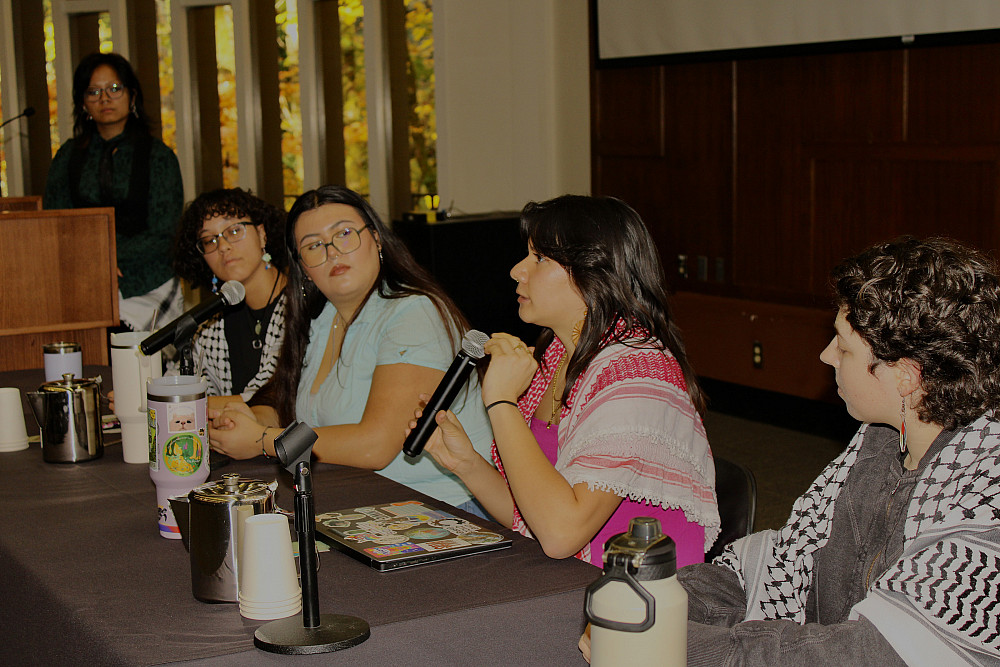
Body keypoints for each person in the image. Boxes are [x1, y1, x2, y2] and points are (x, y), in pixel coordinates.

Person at [588, 237, 1000, 665]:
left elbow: (870, 654)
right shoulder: (880, 441)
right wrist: (648, 607)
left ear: (905, 376)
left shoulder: (987, 491)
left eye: (843, 346)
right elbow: (769, 569)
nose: (826, 355)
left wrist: (667, 644)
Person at [412, 194, 720, 567]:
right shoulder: (560, 355)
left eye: (539, 258)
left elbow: (560, 533)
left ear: (595, 272)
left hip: (635, 598)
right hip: (575, 578)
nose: (517, 271)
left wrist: (501, 400)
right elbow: (533, 514)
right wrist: (466, 464)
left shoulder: (638, 374)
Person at [208, 185, 493, 512]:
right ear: (303, 268)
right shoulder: (323, 318)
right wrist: (248, 418)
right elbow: (287, 398)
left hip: (444, 510)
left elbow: (375, 446)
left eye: (344, 234)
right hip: (366, 507)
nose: (332, 252)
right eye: (314, 245)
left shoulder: (414, 312)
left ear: (376, 239)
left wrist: (261, 440)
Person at [44, 52, 184, 332]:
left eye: (114, 89)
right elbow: (53, 224)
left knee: (130, 355)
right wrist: (95, 261)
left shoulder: (158, 156)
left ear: (132, 97)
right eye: (93, 91)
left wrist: (109, 257)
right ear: (83, 103)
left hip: (147, 281)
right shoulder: (67, 156)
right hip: (82, 280)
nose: (104, 99)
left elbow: (165, 231)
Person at [172, 188, 288, 403]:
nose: (223, 246)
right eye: (209, 241)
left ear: (262, 234)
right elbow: (181, 379)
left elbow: (268, 394)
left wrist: (178, 401)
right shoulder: (211, 323)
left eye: (234, 231)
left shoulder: (302, 305)